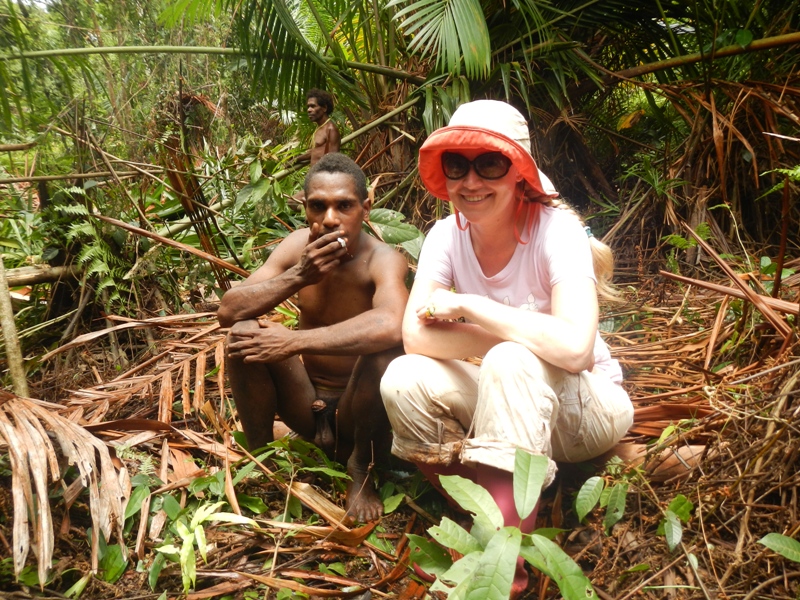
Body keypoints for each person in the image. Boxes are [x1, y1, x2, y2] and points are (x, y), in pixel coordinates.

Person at [380, 100, 633, 595]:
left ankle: (505, 575)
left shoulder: (556, 230)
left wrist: (471, 306)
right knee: (402, 378)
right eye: (457, 165)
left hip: (585, 409)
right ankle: (487, 520)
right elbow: (417, 336)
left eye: (490, 164)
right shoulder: (443, 237)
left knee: (511, 359)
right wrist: (525, 333)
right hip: (504, 403)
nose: (471, 182)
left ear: (519, 171)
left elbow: (577, 349)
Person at [219, 153, 408, 523]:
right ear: (304, 208)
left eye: (344, 206)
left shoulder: (383, 259)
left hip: (360, 413)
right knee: (243, 333)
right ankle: (261, 458)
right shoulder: (295, 247)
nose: (330, 219)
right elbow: (228, 311)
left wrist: (295, 341)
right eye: (318, 207)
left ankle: (361, 469)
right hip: (307, 406)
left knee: (387, 354)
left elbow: (392, 324)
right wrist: (299, 276)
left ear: (365, 208)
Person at [297, 89, 341, 166]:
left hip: (323, 176)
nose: (309, 110)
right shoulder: (320, 127)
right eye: (308, 106)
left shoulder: (331, 129)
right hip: (315, 175)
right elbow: (317, 151)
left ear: (324, 108)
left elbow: (333, 159)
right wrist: (296, 159)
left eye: (313, 106)